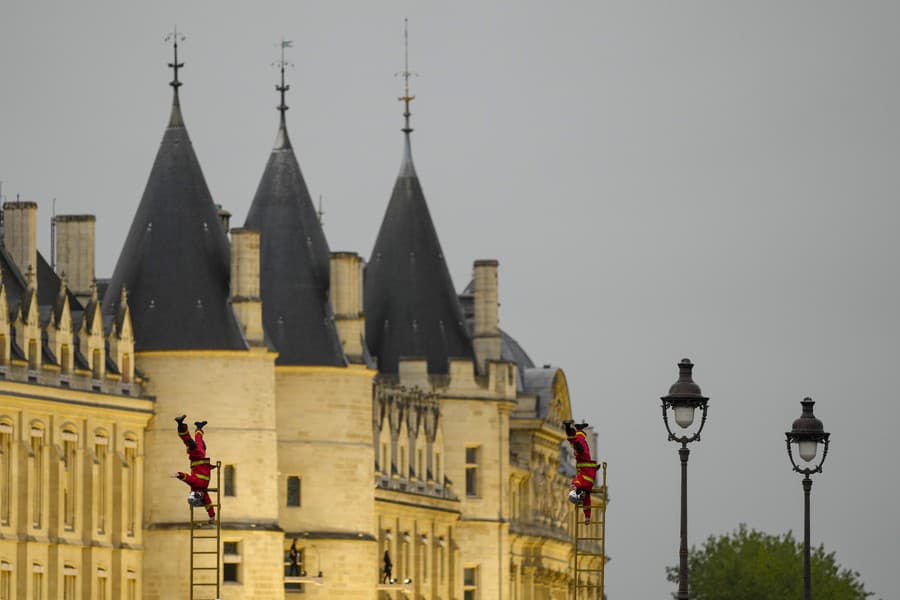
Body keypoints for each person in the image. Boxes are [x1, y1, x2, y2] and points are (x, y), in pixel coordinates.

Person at [171, 415, 216, 525]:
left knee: (189, 442)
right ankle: (199, 428)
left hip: (196, 457)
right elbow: (208, 504)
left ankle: (180, 424)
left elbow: (189, 479)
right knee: (201, 444)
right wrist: (212, 516)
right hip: (202, 459)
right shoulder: (203, 492)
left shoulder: (197, 486)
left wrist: (179, 475)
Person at [563, 419, 597, 525]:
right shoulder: (585, 489)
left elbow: (576, 483)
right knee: (577, 441)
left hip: (582, 461)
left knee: (575, 441)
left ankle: (572, 428)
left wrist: (587, 517)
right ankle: (575, 429)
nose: (583, 498)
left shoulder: (581, 486)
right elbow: (587, 503)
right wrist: (587, 517)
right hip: (586, 461)